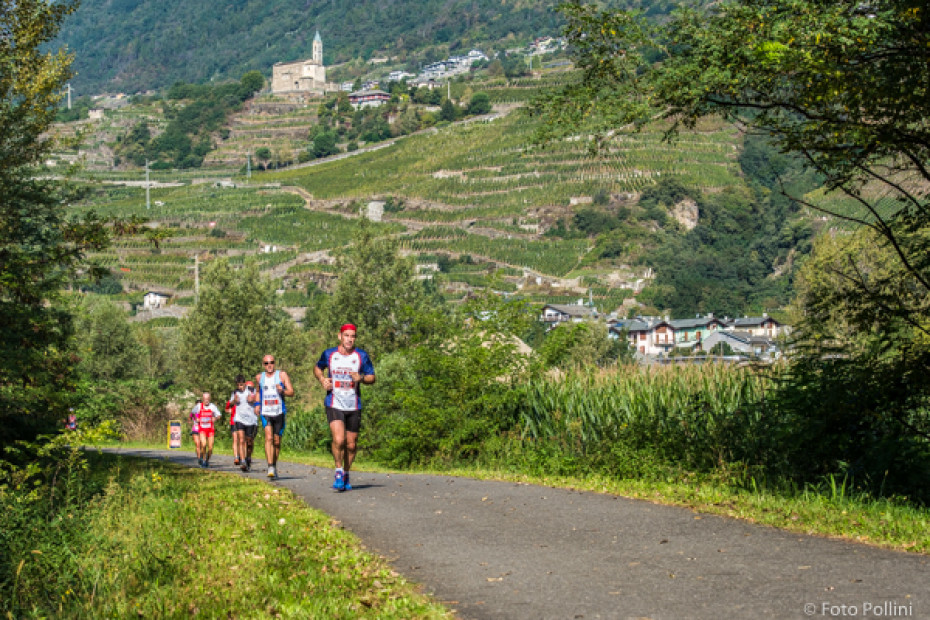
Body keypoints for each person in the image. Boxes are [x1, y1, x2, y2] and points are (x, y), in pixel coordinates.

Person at [313, 323, 376, 492]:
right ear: (339, 336)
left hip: (354, 404)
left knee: (352, 445)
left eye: (353, 336)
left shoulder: (361, 355)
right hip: (334, 402)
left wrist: (361, 378)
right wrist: (322, 380)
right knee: (339, 440)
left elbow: (372, 377)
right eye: (347, 335)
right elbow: (318, 368)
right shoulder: (329, 354)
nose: (350, 339)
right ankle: (338, 471)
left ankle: (347, 473)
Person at [250, 355, 294, 479]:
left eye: (271, 362)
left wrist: (283, 391)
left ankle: (274, 465)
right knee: (268, 437)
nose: (269, 365)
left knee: (276, 441)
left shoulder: (282, 375)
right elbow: (258, 392)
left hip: (279, 411)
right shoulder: (259, 377)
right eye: (266, 363)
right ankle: (269, 466)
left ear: (274, 363)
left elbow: (292, 392)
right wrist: (257, 404)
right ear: (263, 364)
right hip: (266, 412)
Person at [229, 376, 259, 472]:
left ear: (245, 383)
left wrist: (253, 400)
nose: (240, 387)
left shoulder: (252, 390)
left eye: (241, 385)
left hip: (251, 419)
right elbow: (229, 404)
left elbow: (260, 401)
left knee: (249, 441)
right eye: (238, 385)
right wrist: (234, 401)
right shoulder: (235, 392)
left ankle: (248, 458)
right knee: (241, 440)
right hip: (239, 419)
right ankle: (243, 461)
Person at [192, 392, 222, 468]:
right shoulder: (199, 406)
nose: (206, 401)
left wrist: (215, 418)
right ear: (203, 399)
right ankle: (204, 459)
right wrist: (196, 418)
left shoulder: (212, 406)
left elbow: (219, 415)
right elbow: (192, 413)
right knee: (204, 444)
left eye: (208, 399)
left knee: (210, 448)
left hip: (210, 429)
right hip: (202, 429)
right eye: (205, 399)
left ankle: (207, 461)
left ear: (210, 399)